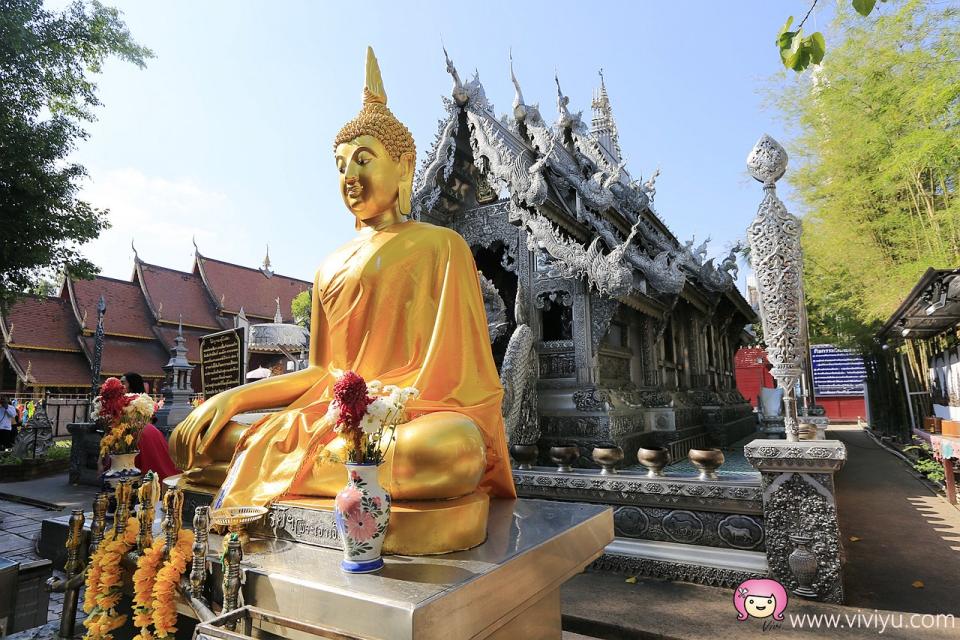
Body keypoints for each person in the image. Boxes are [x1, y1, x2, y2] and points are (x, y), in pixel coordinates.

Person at [170, 48, 515, 509]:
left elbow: (461, 379)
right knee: (190, 439)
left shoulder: (441, 246)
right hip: (330, 417)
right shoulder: (329, 265)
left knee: (451, 452)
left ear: (404, 167)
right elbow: (322, 371)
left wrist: (388, 406)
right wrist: (231, 400)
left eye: (363, 160)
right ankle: (338, 468)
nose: (349, 176)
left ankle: (311, 464)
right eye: (339, 166)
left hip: (413, 417)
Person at [121, 372, 179, 481]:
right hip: (135, 432)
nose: (121, 385)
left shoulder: (142, 399)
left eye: (123, 382)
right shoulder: (123, 399)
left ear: (131, 384)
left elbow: (150, 417)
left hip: (143, 433)